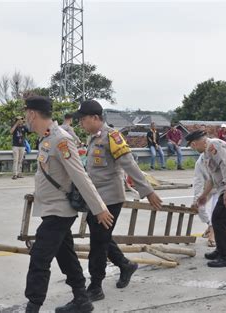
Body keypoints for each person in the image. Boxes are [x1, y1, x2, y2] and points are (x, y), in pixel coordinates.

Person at [22, 96, 114, 313]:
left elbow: (80, 176)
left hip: (59, 212)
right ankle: (82, 299)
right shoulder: (46, 138)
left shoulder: (61, 140)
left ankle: (33, 305)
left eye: (27, 114)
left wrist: (99, 208)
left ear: (32, 113)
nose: (26, 118)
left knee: (39, 257)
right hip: (51, 209)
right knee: (66, 256)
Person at [75, 99, 163, 302]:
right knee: (101, 238)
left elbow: (130, 165)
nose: (81, 124)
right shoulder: (93, 137)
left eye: (83, 119)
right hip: (95, 199)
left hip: (110, 199)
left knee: (98, 243)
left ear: (95, 118)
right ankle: (125, 265)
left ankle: (95, 286)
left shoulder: (112, 137)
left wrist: (148, 191)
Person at [186, 130, 226, 267]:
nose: (192, 148)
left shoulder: (214, 145)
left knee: (218, 219)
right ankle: (221, 251)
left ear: (196, 143)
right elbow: (211, 180)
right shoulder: (205, 155)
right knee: (221, 220)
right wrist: (202, 197)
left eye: (192, 146)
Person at [192, 153, 218, 247]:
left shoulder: (219, 158)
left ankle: (212, 235)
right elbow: (198, 181)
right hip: (207, 188)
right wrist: (196, 200)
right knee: (200, 208)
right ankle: (211, 226)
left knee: (216, 211)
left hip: (221, 187)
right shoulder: (199, 163)